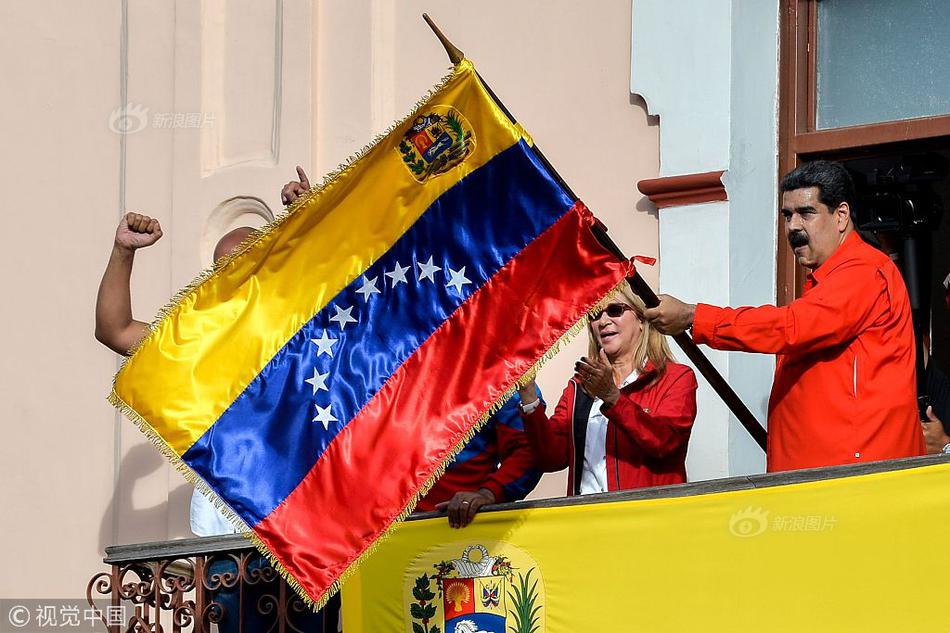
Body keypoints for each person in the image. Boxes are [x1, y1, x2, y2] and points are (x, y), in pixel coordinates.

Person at [95, 212, 334, 631]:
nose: (231, 275)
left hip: (306, 539)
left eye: (242, 262)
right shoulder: (201, 344)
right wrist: (123, 251)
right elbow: (114, 330)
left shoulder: (304, 329)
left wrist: (309, 220)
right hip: (228, 550)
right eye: (222, 267)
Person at [643, 160, 926, 472]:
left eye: (806, 213)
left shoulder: (863, 271)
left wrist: (694, 317)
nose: (793, 226)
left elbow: (792, 327)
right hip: (822, 477)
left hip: (852, 480)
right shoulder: (831, 280)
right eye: (787, 215)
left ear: (841, 215)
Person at [515, 282, 698, 495]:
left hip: (646, 520)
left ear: (641, 320)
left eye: (615, 310)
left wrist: (612, 397)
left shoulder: (675, 377)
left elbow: (665, 445)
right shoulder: (579, 387)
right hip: (586, 519)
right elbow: (551, 458)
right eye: (594, 314)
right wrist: (527, 394)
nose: (603, 321)